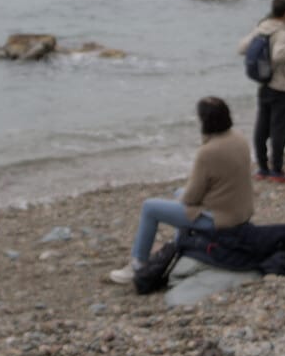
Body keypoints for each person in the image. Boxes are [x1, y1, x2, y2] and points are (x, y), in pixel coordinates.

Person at [107, 96, 254, 284]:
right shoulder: (238, 137)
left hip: (220, 219)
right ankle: (180, 246)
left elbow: (191, 198)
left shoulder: (208, 152)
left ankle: (138, 263)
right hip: (239, 211)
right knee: (178, 192)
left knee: (150, 207)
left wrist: (184, 198)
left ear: (206, 122)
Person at [238, 0, 285, 181]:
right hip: (281, 87)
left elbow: (241, 48)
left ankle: (262, 168)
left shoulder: (262, 28)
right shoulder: (281, 33)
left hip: (263, 85)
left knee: (262, 127)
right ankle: (278, 171)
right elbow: (278, 55)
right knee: (279, 129)